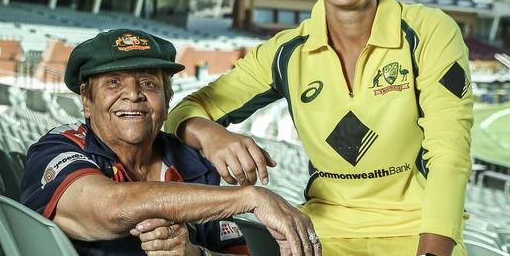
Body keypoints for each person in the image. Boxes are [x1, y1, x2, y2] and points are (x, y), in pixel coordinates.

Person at [165, 0, 473, 255]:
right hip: (318, 235)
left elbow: (449, 152)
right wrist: (209, 132)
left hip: (416, 230)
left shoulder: (429, 31)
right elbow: (181, 113)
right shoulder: (284, 52)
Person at [20, 29, 322, 256]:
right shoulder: (60, 147)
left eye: (149, 84)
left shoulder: (192, 164)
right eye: (113, 82)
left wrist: (195, 254)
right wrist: (250, 197)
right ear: (86, 99)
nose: (133, 94)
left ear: (168, 100)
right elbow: (113, 207)